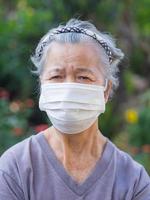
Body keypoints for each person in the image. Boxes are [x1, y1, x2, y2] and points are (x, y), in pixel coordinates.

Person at [0, 18, 150, 200]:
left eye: (83, 77)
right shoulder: (15, 168)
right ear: (42, 86)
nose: (69, 88)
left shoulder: (133, 180)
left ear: (106, 89)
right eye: (56, 76)